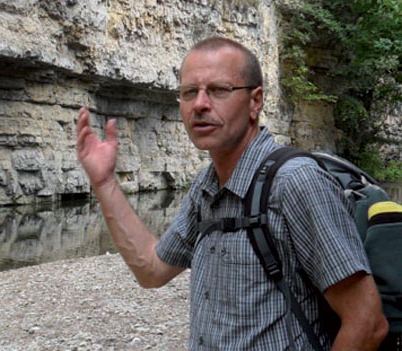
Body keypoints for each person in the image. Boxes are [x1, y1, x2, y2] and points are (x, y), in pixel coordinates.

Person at [75, 36, 388, 350]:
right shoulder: (207, 186)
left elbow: (367, 322)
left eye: (219, 90)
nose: (199, 104)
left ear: (255, 102)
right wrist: (104, 183)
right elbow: (151, 270)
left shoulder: (295, 182)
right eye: (189, 92)